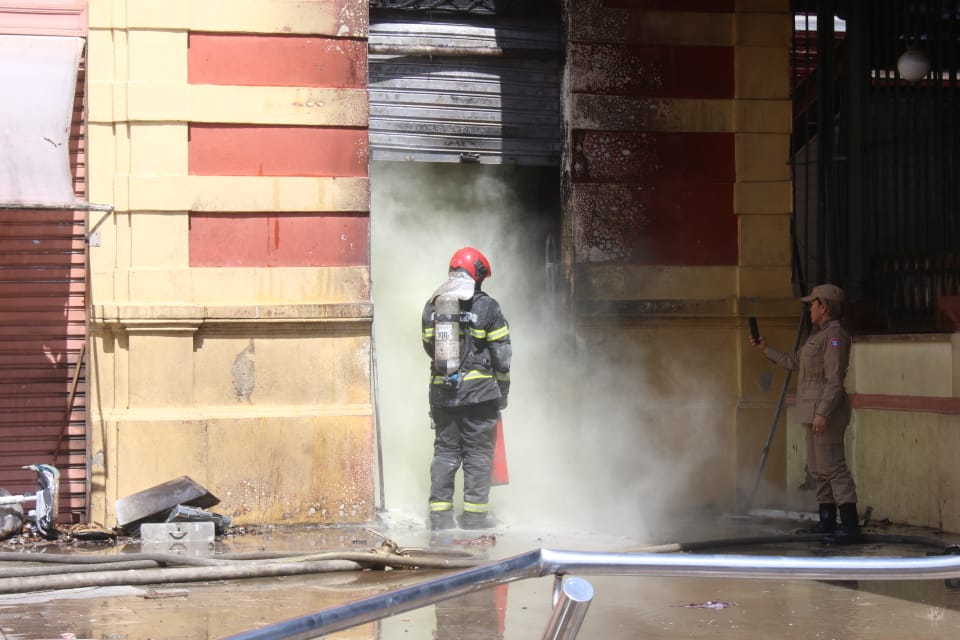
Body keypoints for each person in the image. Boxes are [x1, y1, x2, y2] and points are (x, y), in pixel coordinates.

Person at [749, 283, 862, 544]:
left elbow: (835, 380)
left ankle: (850, 525)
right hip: (812, 411)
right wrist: (765, 349)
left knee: (833, 468)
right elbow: (793, 362)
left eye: (813, 303)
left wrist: (823, 413)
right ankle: (826, 521)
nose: (810, 308)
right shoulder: (817, 336)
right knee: (818, 469)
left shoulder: (835, 337)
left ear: (824, 306)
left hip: (826, 411)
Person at [422, 247, 511, 531]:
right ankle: (474, 518)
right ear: (477, 275)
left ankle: (440, 517)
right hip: (480, 397)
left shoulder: (433, 305)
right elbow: (502, 357)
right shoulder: (488, 306)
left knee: (445, 452)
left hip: (442, 394)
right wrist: (503, 390)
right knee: (477, 455)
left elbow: (428, 347)